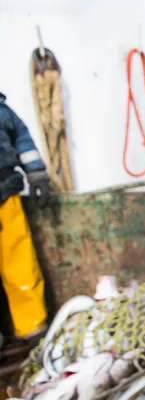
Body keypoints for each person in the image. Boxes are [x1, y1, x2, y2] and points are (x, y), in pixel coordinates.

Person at [0, 92, 50, 343]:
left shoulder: (3, 111)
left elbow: (22, 139)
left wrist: (37, 172)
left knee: (18, 263)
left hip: (5, 195)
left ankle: (32, 327)